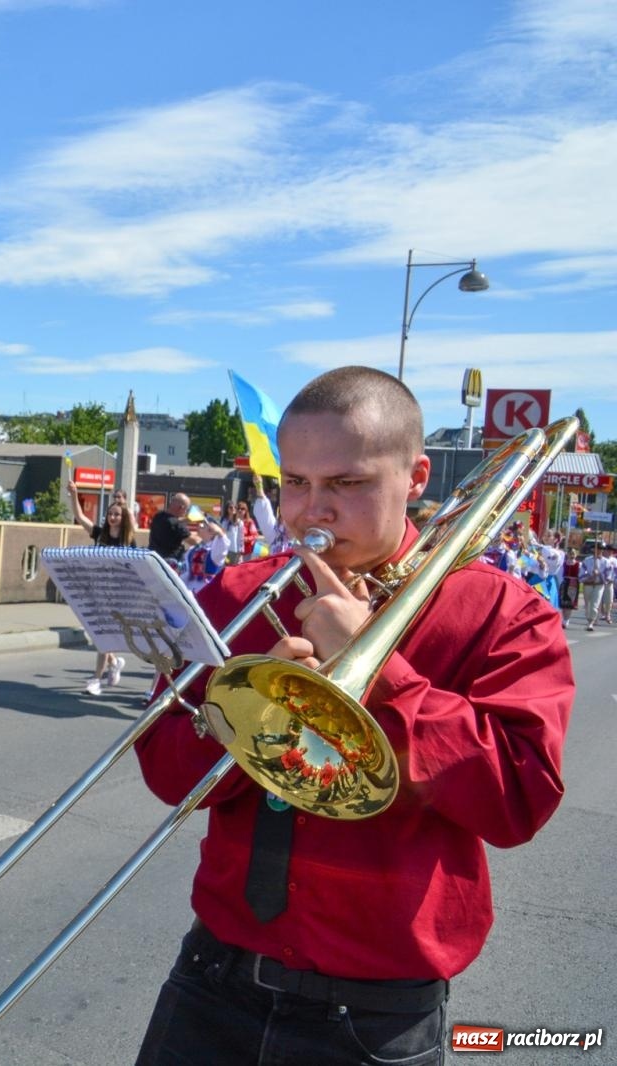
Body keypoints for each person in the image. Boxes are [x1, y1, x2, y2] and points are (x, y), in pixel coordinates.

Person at [132, 367, 573, 1065]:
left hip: (377, 1013)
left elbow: (518, 800)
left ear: (417, 476)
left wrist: (382, 675)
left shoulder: (504, 613)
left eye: (346, 484)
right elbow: (165, 771)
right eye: (296, 483)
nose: (312, 512)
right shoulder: (237, 595)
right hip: (214, 981)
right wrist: (248, 711)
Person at [76, 497, 132, 696]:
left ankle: (96, 680)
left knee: (102, 638)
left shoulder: (127, 541)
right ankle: (114, 663)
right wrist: (74, 494)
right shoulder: (100, 535)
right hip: (98, 591)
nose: (113, 517)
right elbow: (80, 517)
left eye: (117, 514)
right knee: (98, 635)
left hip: (116, 595)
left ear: (123, 517)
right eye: (110, 514)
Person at [148, 493, 195, 562]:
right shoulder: (177, 525)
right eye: (186, 509)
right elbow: (194, 541)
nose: (186, 512)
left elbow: (171, 521)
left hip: (155, 559)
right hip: (171, 563)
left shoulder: (158, 516)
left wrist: (188, 519)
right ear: (181, 508)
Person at [578, 543, 608, 632]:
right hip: (588, 584)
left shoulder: (606, 562)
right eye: (597, 548)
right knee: (588, 604)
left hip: (599, 585)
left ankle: (591, 622)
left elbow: (608, 576)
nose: (598, 550)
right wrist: (588, 577)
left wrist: (599, 574)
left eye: (600, 549)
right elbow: (581, 573)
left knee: (595, 604)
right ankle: (589, 618)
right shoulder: (587, 560)